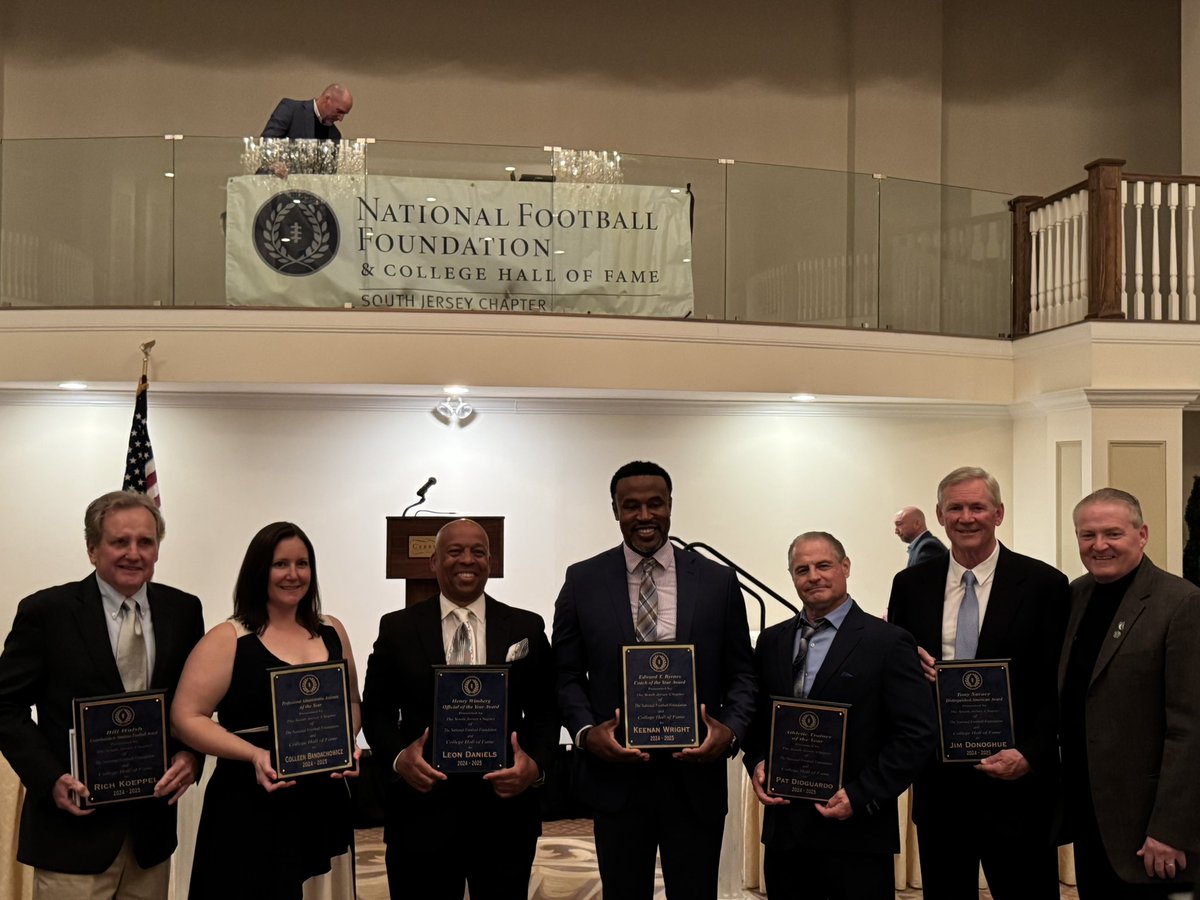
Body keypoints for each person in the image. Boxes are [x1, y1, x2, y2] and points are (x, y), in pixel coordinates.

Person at [551, 460, 757, 899]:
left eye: (654, 504)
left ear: (670, 506)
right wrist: (587, 733)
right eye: (631, 506)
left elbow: (742, 673)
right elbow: (565, 674)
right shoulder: (583, 580)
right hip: (616, 776)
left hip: (695, 774)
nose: (644, 516)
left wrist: (732, 730)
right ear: (615, 510)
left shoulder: (718, 581)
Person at [0, 490, 205, 899]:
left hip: (150, 836)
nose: (134, 553)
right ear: (93, 549)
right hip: (72, 832)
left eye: (145, 542)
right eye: (119, 542)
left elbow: (193, 705)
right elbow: (5, 707)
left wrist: (191, 756)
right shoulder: (47, 613)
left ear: (158, 550)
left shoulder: (183, 612)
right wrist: (51, 778)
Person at [887, 466, 1069, 900]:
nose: (967, 517)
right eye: (955, 508)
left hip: (1018, 784)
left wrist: (1031, 753)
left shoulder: (1045, 585)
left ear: (998, 514)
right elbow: (895, 677)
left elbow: (1059, 684)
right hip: (940, 784)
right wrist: (908, 664)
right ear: (939, 514)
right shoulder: (910, 585)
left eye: (978, 507)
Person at [361, 518, 558, 900]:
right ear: (434, 561)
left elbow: (547, 710)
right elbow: (377, 711)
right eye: (454, 551)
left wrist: (534, 766)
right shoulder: (397, 628)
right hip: (422, 811)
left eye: (477, 551)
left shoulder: (526, 627)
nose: (466, 560)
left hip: (505, 812)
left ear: (491, 561)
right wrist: (400, 758)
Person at [172, 522, 361, 900]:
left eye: (302, 564)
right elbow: (185, 718)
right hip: (249, 805)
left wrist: (345, 744)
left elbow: (352, 702)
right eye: (280, 564)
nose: (293, 575)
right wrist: (254, 754)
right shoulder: (228, 638)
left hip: (321, 802)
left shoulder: (331, 630)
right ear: (259, 570)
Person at [745, 531, 935, 899]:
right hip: (786, 836)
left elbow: (916, 735)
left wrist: (862, 795)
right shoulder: (771, 642)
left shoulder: (889, 641)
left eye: (823, 565)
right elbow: (756, 721)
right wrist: (756, 763)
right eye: (802, 569)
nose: (813, 576)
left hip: (857, 834)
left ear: (845, 567)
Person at [1058, 488, 1200, 898]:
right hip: (1090, 818)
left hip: (1150, 834)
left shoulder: (1182, 604)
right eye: (1087, 535)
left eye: (1113, 534)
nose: (1099, 545)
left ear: (1142, 535)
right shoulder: (1076, 595)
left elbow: (1190, 729)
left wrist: (1170, 830)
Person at [262, 84, 353, 141]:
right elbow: (267, 142)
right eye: (339, 111)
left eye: (344, 114)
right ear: (327, 99)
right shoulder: (290, 110)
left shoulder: (335, 135)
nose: (341, 118)